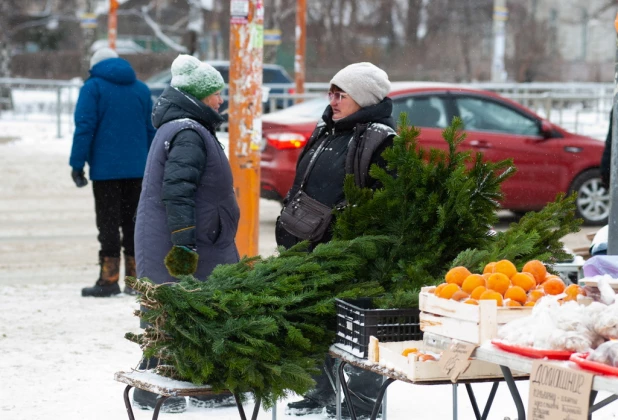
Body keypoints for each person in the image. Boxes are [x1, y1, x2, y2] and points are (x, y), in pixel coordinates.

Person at [275, 62, 396, 419]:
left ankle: (360, 407)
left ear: (362, 97)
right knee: (316, 321)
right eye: (331, 93)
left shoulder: (380, 139)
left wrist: (351, 237)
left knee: (359, 332)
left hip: (351, 252)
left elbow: (385, 202)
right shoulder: (327, 129)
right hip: (311, 247)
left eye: (340, 94)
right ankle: (320, 394)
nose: (333, 100)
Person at [132, 54, 240, 413]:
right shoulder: (189, 132)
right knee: (172, 310)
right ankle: (154, 390)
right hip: (184, 240)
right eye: (215, 93)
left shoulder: (185, 127)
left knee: (171, 311)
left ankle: (168, 385)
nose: (220, 100)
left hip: (192, 237)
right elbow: (178, 190)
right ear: (198, 96)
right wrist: (184, 243)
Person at [70, 47, 156, 298]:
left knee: (108, 224)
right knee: (134, 223)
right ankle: (135, 280)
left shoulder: (93, 88)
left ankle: (108, 280)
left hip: (106, 171)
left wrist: (77, 164)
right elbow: (151, 130)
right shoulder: (141, 89)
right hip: (138, 170)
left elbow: (85, 126)